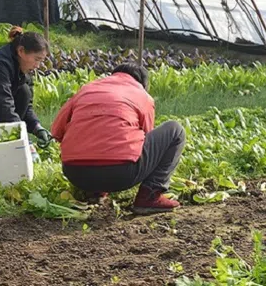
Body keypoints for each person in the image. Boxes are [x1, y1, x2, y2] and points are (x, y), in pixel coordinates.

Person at [51, 62, 186, 215]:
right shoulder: (141, 95)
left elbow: (56, 131)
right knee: (176, 130)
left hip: (75, 173)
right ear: (143, 84)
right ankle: (149, 196)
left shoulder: (87, 89)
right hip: (122, 174)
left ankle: (94, 192)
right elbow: (146, 136)